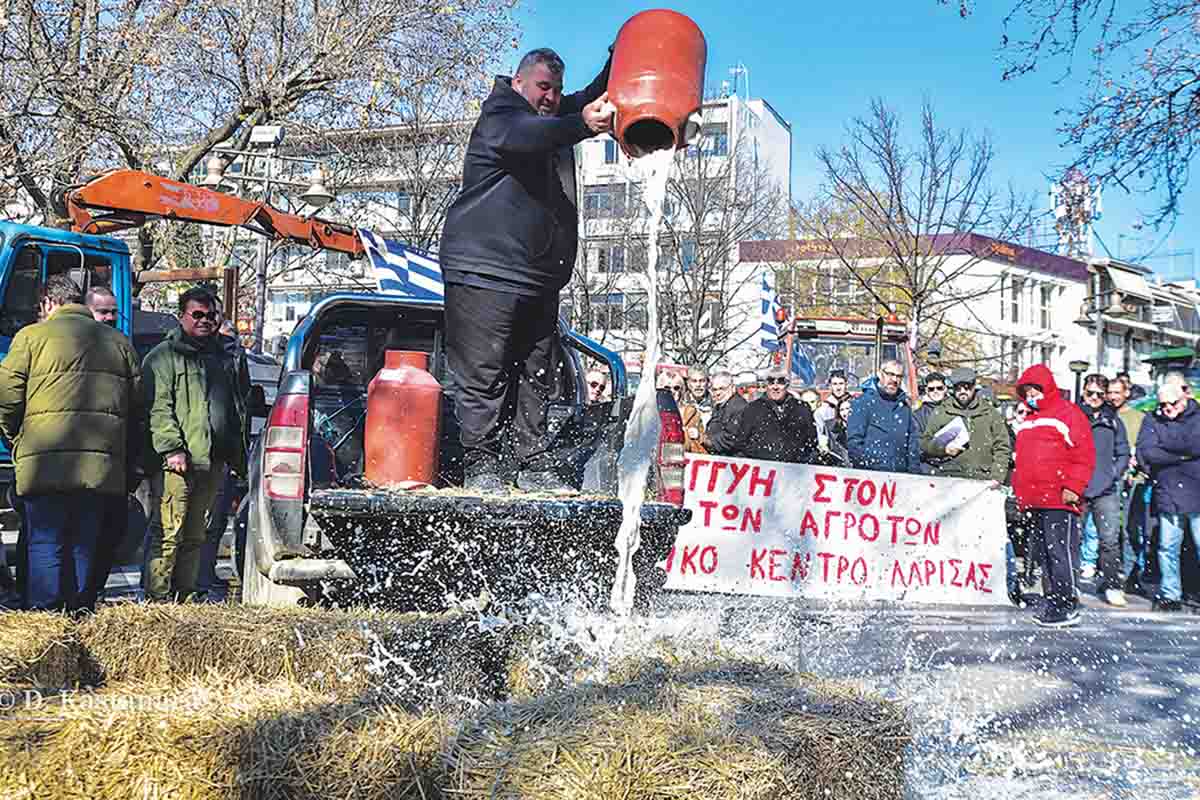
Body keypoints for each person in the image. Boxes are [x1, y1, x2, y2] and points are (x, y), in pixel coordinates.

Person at [438, 46, 615, 494]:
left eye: (556, 90)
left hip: (536, 275)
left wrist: (620, 55)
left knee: (536, 372)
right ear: (519, 83)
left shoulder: (549, 113)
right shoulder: (502, 114)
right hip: (485, 268)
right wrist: (579, 125)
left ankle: (531, 460)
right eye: (543, 87)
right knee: (485, 370)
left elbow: (590, 96)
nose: (551, 97)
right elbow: (531, 134)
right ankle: (482, 464)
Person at [0, 275, 142, 611]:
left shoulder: (30, 338)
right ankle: (78, 614)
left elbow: (6, 398)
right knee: (83, 544)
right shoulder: (119, 343)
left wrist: (17, 440)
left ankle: (47, 618)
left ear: (48, 303)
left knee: (45, 543)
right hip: (99, 469)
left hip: (44, 461)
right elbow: (138, 408)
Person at [143, 287, 250, 602]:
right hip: (177, 462)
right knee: (168, 533)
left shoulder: (225, 356)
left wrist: (237, 456)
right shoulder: (163, 357)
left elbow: (237, 409)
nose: (205, 321)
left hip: (214, 461)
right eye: (198, 315)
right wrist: (172, 448)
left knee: (196, 535)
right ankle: (157, 599)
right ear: (182, 317)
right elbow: (156, 408)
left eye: (211, 315)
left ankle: (185, 596)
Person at [921, 367, 1018, 602]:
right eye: (958, 388)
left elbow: (1003, 447)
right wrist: (942, 448)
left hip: (984, 485)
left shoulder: (991, 414)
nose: (962, 391)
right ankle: (952, 584)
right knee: (952, 537)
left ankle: (1008, 586)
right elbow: (925, 444)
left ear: (975, 387)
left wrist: (997, 475)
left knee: (993, 537)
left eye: (967, 387)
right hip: (952, 483)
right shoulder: (942, 412)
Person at [1011, 364, 1096, 628]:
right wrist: (1022, 492)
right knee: (1045, 554)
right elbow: (1026, 462)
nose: (1032, 395)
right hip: (1037, 498)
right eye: (1027, 391)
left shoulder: (1067, 414)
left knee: (1060, 551)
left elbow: (1084, 455)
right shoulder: (1029, 420)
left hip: (1060, 497)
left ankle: (1066, 601)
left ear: (1046, 388)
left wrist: (1073, 486)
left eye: (1035, 389)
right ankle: (1053, 599)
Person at [1136, 381, 1200, 612]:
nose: (1166, 409)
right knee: (1167, 547)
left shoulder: (1197, 417)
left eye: (1171, 404)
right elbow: (1147, 452)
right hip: (1168, 490)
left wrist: (1167, 451)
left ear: (1183, 400)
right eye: (1162, 405)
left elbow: (1195, 443)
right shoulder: (1152, 419)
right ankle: (1170, 593)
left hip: (1196, 489)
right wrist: (1183, 456)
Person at [196, 318, 246, 603]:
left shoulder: (232, 359)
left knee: (214, 522)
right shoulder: (181, 355)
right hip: (196, 452)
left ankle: (204, 573)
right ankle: (179, 580)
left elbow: (240, 406)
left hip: (223, 452)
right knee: (184, 523)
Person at [1073, 374, 1130, 606]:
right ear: (1084, 393)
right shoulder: (1074, 417)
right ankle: (1071, 584)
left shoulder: (1113, 420)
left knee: (1109, 540)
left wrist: (1112, 474)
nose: (1094, 397)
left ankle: (1112, 585)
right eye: (1090, 393)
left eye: (1099, 393)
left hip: (1105, 488)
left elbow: (1123, 452)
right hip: (1076, 487)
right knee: (1072, 539)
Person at [726, 367, 818, 464]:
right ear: (766, 385)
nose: (775, 386)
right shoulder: (752, 409)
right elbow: (740, 443)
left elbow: (811, 443)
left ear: (787, 384)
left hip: (793, 471)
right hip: (761, 471)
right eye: (771, 381)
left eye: (781, 381)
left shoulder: (802, 409)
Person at [1108, 376, 1148, 594]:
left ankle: (1133, 574)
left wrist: (1137, 466)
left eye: (1117, 392)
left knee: (1133, 529)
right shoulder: (1104, 416)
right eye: (1110, 392)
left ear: (1126, 393)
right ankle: (1113, 575)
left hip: (1133, 478)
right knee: (1110, 530)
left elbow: (1144, 447)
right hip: (1109, 479)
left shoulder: (1139, 418)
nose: (1113, 396)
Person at [847, 359, 921, 474]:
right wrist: (868, 469)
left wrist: (914, 474)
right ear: (879, 374)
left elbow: (912, 444)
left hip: (900, 477)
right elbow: (854, 443)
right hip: (872, 477)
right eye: (890, 374)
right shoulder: (863, 403)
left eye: (899, 376)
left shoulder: (904, 407)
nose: (894, 380)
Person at [703, 369, 748, 457]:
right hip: (721, 459)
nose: (718, 393)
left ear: (732, 388)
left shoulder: (738, 407)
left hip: (733, 462)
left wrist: (706, 441)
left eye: (722, 388)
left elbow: (731, 438)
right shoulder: (721, 405)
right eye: (714, 390)